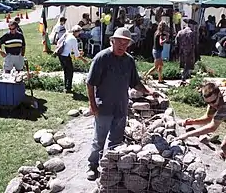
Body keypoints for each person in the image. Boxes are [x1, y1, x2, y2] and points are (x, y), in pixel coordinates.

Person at [86, 27, 159, 180]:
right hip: (103, 106)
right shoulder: (102, 58)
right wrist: (92, 104)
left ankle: (111, 167)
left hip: (121, 106)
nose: (122, 46)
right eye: (119, 42)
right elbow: (90, 83)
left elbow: (135, 83)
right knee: (99, 140)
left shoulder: (129, 60)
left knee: (116, 140)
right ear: (112, 41)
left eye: (125, 44)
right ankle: (92, 166)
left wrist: (149, 91)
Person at [178, 82, 226, 160]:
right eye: (208, 102)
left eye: (213, 102)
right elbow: (208, 118)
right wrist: (192, 122)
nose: (211, 105)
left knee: (224, 146)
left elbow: (212, 127)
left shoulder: (224, 105)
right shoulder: (214, 97)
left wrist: (187, 135)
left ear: (219, 95)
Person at [57, 25, 88, 93]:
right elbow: (77, 55)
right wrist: (84, 60)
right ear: (77, 32)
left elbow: (59, 42)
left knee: (66, 71)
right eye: (79, 32)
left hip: (60, 55)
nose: (79, 34)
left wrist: (68, 49)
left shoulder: (67, 34)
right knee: (70, 72)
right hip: (66, 56)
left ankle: (65, 86)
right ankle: (68, 88)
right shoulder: (74, 39)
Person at [175, 19, 197, 86]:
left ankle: (185, 77)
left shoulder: (180, 32)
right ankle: (184, 78)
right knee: (188, 65)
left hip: (181, 51)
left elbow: (176, 42)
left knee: (183, 65)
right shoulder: (192, 33)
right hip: (189, 52)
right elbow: (194, 44)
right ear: (191, 25)